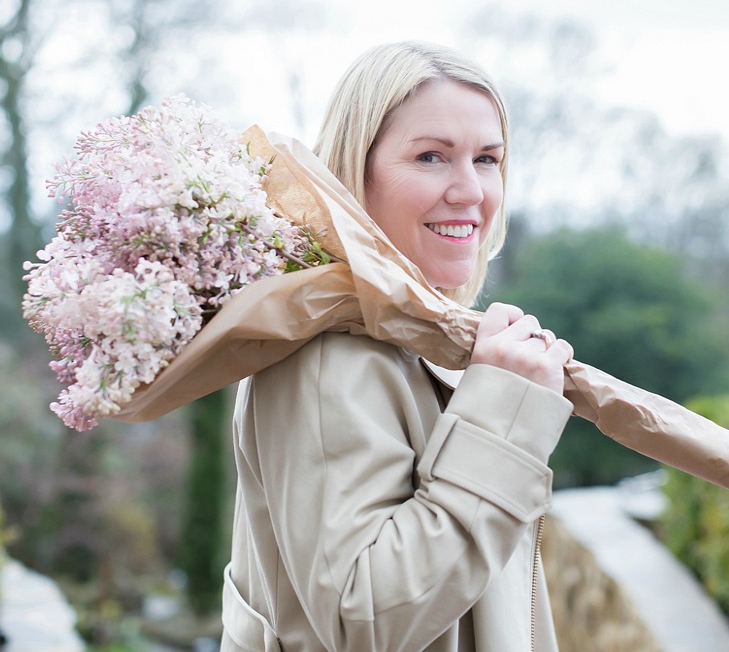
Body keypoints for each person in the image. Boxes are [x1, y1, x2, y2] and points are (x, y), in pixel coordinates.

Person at [220, 41, 575, 652]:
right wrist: (502, 418)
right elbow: (366, 620)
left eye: (487, 159)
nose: (470, 191)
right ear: (357, 172)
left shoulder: (423, 338)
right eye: (432, 157)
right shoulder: (332, 355)